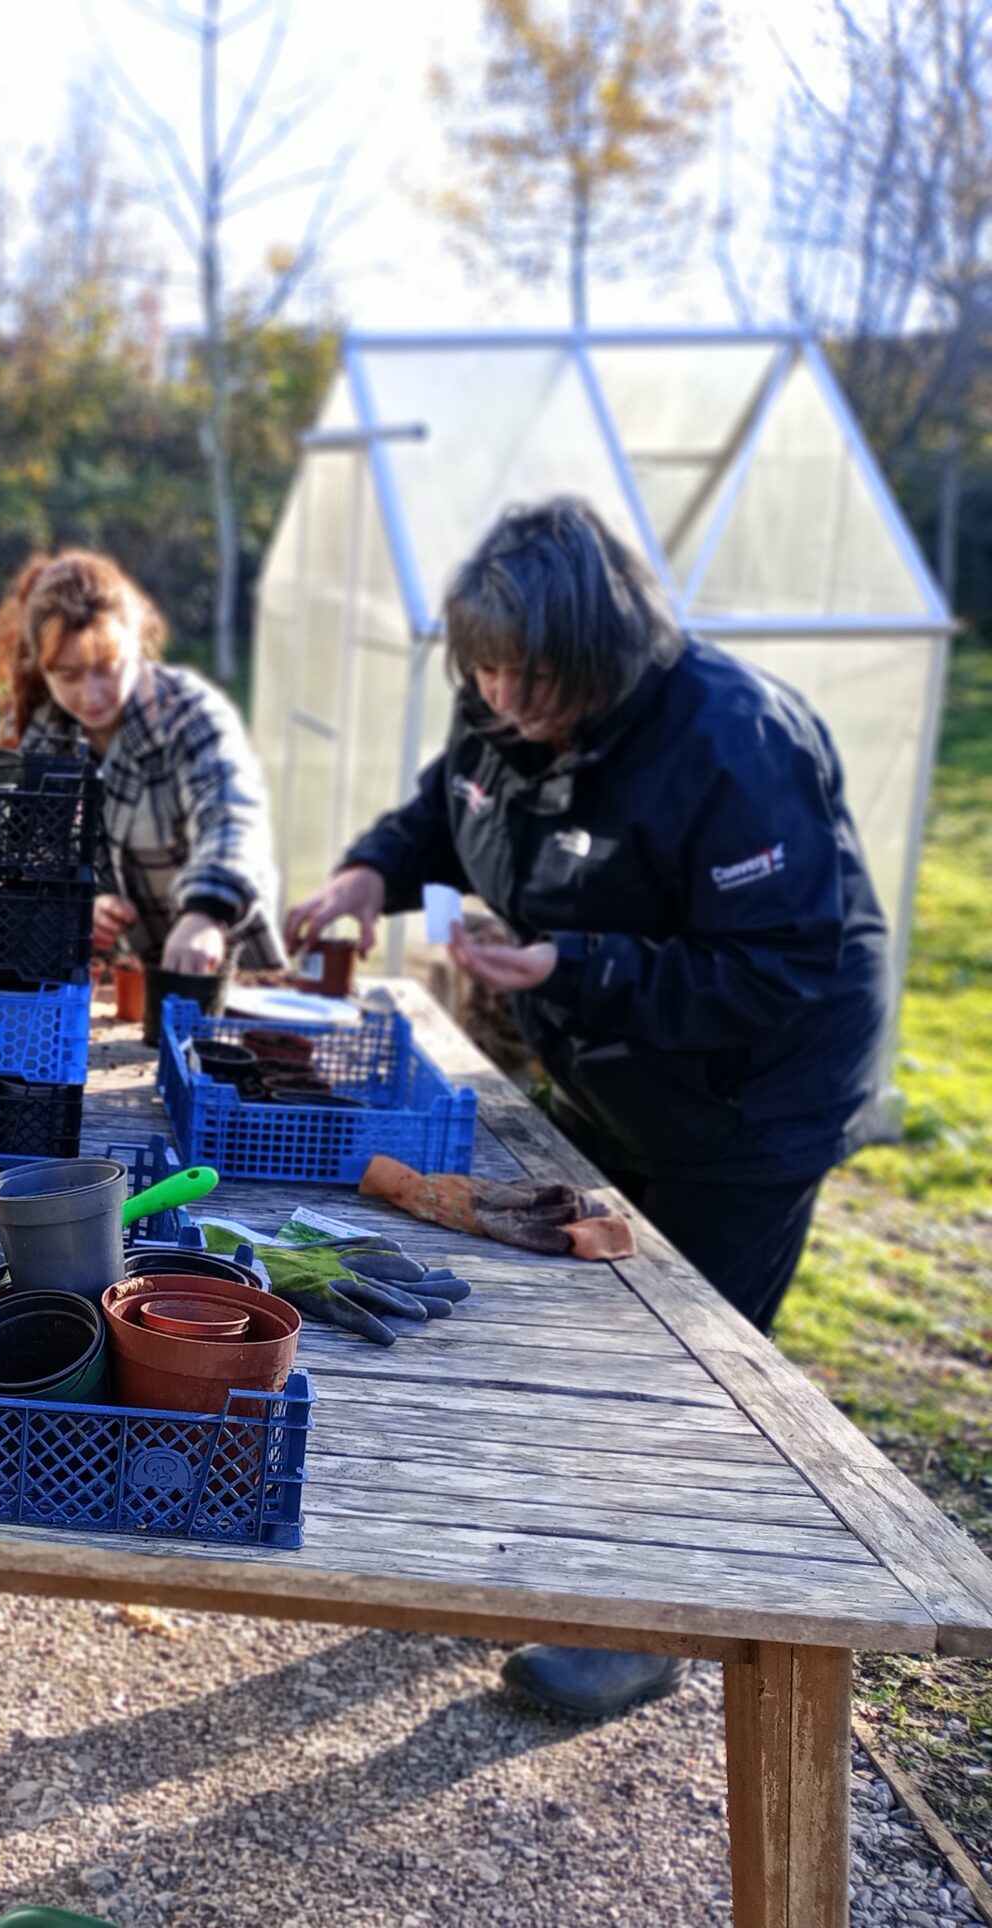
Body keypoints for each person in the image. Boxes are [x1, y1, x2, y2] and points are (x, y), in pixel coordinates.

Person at [286, 497, 889, 1721]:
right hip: (609, 1062)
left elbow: (778, 964)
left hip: (755, 1088)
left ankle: (644, 1624)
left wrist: (575, 965)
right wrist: (369, 869)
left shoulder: (732, 742)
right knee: (594, 1315)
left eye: (533, 678)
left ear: (603, 653)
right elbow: (445, 809)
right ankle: (569, 1550)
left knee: (695, 1356)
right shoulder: (504, 699)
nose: (504, 699)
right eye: (485, 671)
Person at [0, 550, 283, 977]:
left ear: (137, 644)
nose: (91, 694)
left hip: (224, 973)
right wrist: (79, 907)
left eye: (107, 669)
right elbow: (22, 858)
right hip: (111, 983)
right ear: (42, 668)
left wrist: (206, 912)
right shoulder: (35, 739)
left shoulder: (191, 715)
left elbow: (232, 819)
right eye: (68, 676)